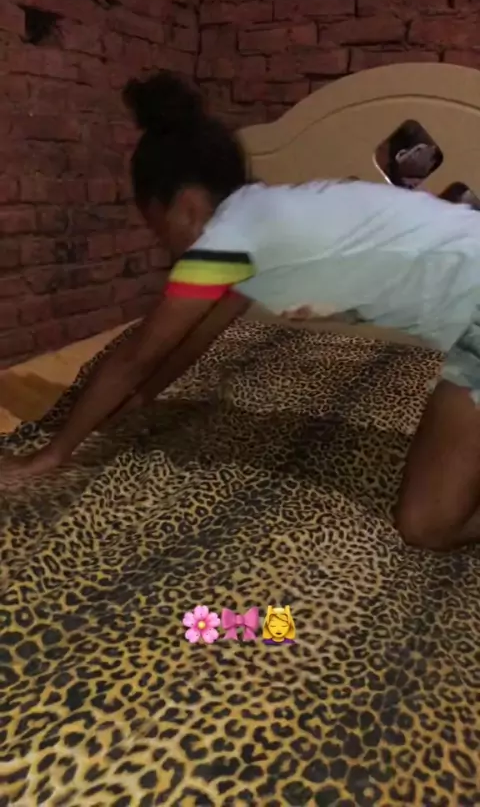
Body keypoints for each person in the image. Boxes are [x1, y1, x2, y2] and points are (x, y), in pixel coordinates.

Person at [2, 71, 480, 553]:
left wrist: (53, 454)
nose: (168, 250)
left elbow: (135, 356)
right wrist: (141, 399)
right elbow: (192, 338)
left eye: (159, 230)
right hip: (470, 324)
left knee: (427, 526)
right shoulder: (258, 226)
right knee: (429, 516)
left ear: (187, 208)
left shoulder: (228, 240)